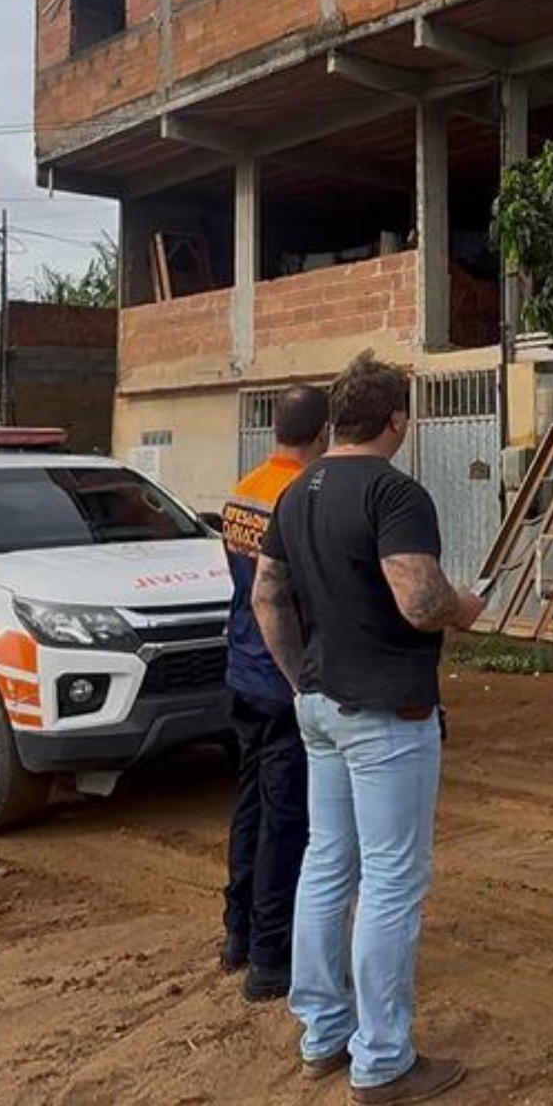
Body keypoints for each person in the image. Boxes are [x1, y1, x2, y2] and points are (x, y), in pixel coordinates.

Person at [251, 351, 482, 1106]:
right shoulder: (394, 491)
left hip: (319, 707)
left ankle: (323, 1034)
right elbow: (419, 601)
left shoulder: (295, 492)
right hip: (388, 712)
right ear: (396, 421)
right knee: (391, 882)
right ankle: (382, 1062)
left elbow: (266, 598)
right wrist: (466, 608)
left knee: (327, 865)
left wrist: (298, 682)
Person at [218, 382, 330, 1002]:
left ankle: (236, 934)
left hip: (240, 668)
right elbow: (290, 595)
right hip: (280, 674)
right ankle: (269, 959)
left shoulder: (245, 488)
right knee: (286, 823)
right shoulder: (298, 498)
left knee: (249, 809)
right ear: (323, 435)